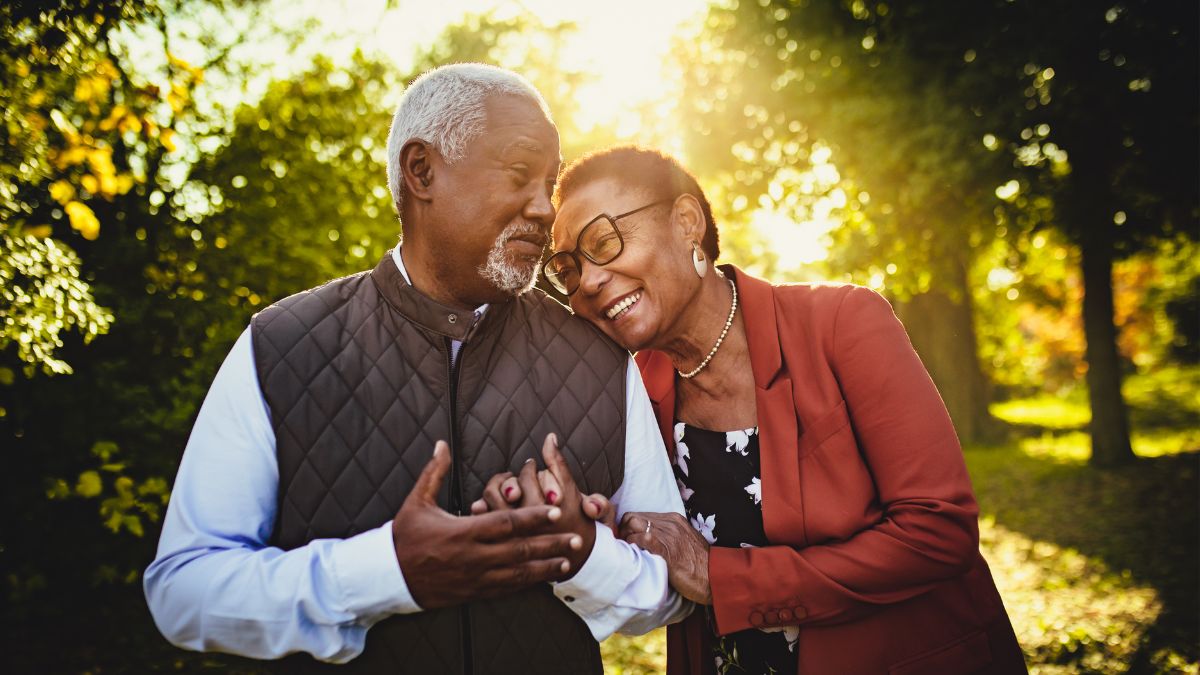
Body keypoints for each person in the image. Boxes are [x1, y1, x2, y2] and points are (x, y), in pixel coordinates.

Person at [143, 66, 690, 674]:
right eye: (519, 175)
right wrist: (387, 572)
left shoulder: (601, 358)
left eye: (549, 183)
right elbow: (183, 592)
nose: (543, 207)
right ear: (422, 172)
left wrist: (581, 554)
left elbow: (673, 588)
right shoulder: (280, 346)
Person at [538, 146, 1028, 674]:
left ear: (686, 223)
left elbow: (938, 532)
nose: (587, 282)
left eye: (604, 243)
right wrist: (599, 532)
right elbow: (649, 566)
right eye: (568, 270)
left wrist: (723, 578)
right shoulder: (631, 394)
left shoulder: (843, 323)